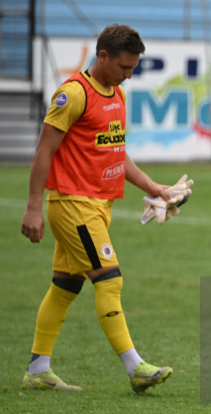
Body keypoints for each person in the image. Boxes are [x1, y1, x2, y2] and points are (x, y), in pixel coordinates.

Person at [20, 24, 174, 393]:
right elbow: (44, 152)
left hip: (98, 204)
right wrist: (32, 209)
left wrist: (153, 186)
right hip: (74, 205)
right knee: (110, 278)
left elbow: (115, 152)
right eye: (124, 66)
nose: (129, 74)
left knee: (64, 286)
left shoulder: (116, 93)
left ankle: (38, 370)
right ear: (102, 56)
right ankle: (135, 367)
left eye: (133, 67)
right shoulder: (73, 94)